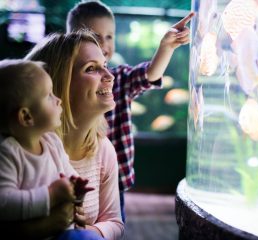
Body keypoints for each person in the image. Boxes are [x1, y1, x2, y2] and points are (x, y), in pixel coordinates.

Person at [66, 0, 194, 221]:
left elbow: (150, 74)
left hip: (114, 185)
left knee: (113, 227)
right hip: (73, 182)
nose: (104, 44)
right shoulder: (63, 84)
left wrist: (167, 46)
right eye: (96, 37)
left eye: (110, 36)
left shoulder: (119, 79)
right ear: (72, 40)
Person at [25, 30, 124, 240]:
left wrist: (86, 233)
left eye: (105, 66)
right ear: (56, 85)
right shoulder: (25, 148)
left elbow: (114, 222)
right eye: (91, 69)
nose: (110, 76)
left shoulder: (104, 150)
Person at [0, 59, 99, 239]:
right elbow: (4, 202)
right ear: (26, 116)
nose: (59, 100)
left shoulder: (52, 142)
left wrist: (75, 188)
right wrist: (51, 194)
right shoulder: (7, 153)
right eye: (49, 95)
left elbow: (67, 173)